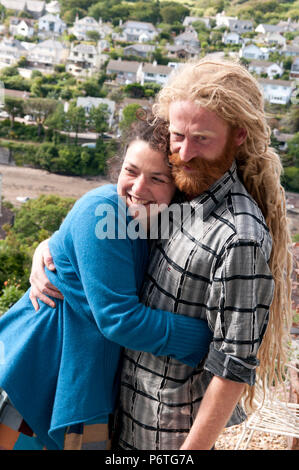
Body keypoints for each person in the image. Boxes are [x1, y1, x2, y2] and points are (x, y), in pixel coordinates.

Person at [30, 58, 293, 451]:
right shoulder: (183, 196)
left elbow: (233, 367)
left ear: (238, 135)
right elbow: (108, 230)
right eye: (177, 135)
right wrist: (54, 247)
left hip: (168, 434)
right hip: (122, 412)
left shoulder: (241, 237)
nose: (185, 153)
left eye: (202, 138)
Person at [0, 118, 212, 451]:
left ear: (177, 189)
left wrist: (49, 243)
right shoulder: (104, 208)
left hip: (81, 384)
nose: (139, 188)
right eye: (131, 171)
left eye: (157, 178)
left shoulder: (151, 226)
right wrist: (212, 340)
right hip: (36, 377)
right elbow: (119, 319)